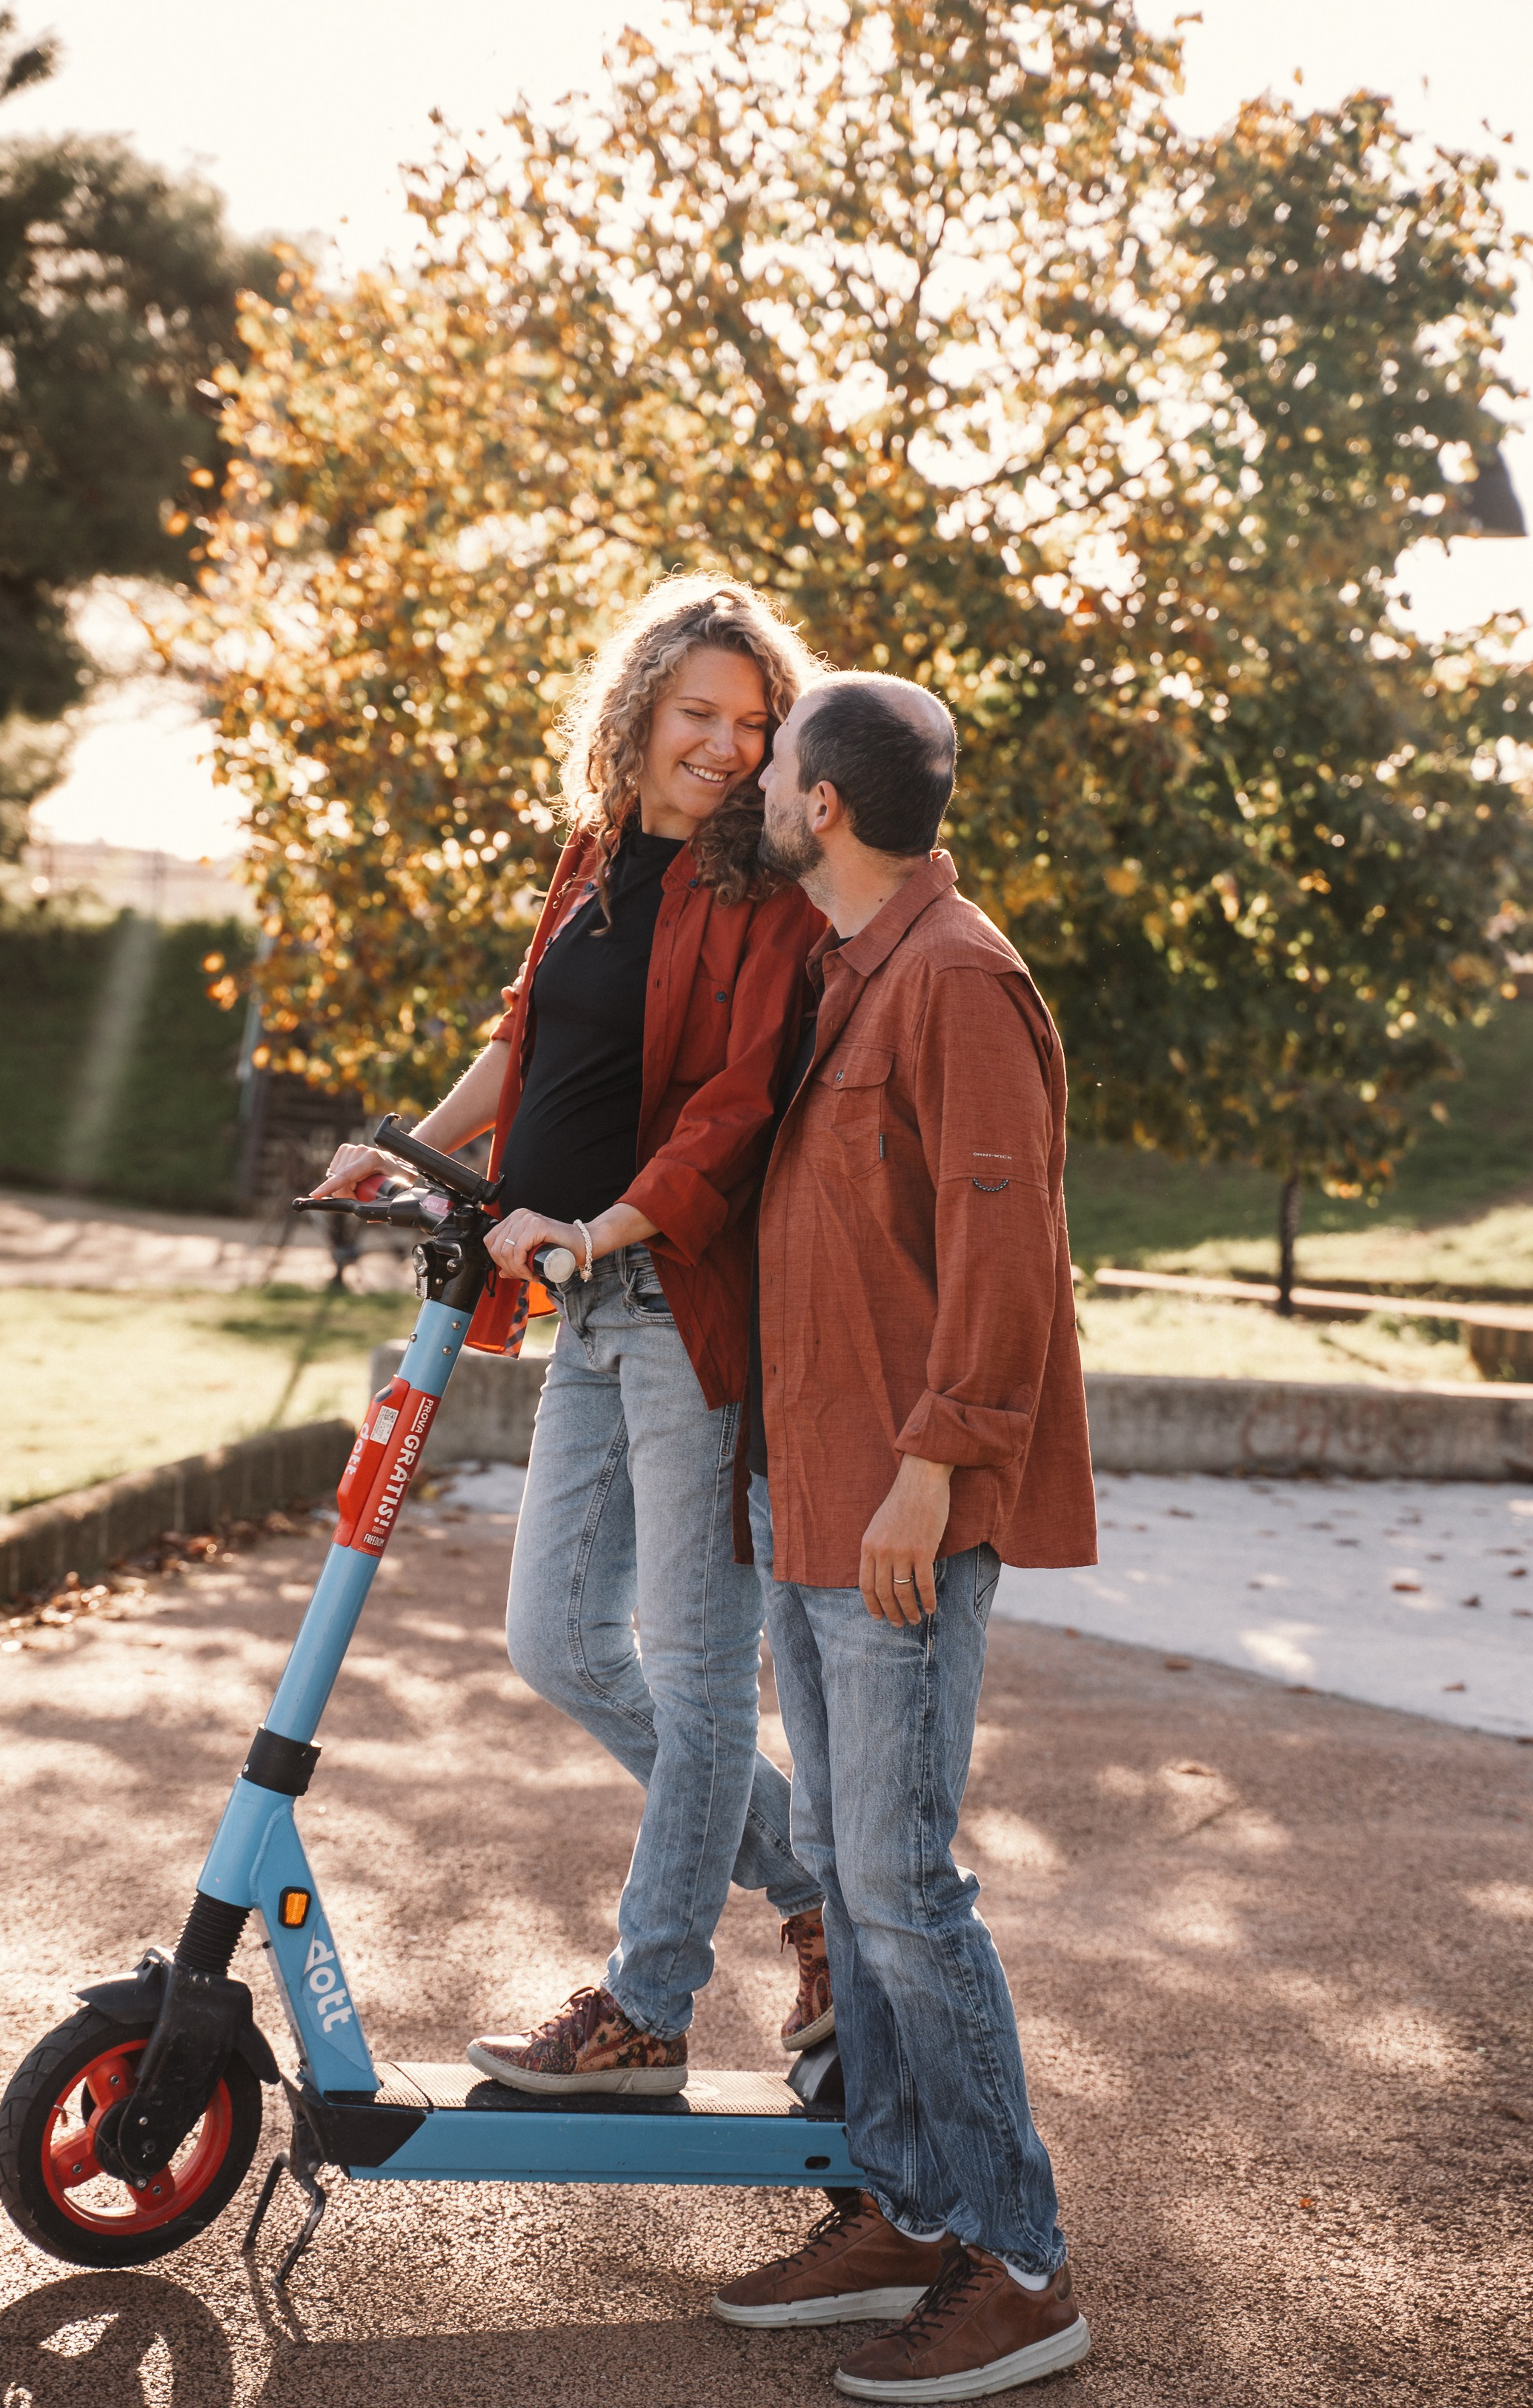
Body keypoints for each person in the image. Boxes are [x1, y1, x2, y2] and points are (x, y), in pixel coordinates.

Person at [314, 577, 834, 2095]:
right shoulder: (597, 858)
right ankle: (818, 1900)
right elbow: (524, 1036)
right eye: (697, 716)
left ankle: (647, 2005)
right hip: (582, 1303)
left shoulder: (767, 892)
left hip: (681, 1299)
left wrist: (610, 1225)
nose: (728, 749)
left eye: (752, 723)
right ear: (637, 715)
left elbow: (736, 1108)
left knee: (688, 1669)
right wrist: (404, 1149)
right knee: (553, 1641)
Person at [709, 673, 1097, 2399]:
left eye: (777, 761)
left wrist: (932, 1473)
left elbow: (1008, 1260)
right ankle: (910, 2207)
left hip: (894, 1511)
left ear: (825, 808)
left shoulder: (954, 981)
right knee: (864, 1892)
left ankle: (1020, 2260)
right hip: (815, 1502)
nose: (757, 774)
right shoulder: (846, 972)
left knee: (898, 1885)